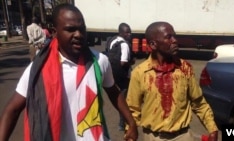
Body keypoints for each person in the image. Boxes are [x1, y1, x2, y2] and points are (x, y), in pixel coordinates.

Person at [0, 3, 137, 141]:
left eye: (81, 29)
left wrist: (131, 122)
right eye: (70, 29)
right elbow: (12, 110)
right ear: (54, 32)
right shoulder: (37, 70)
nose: (78, 35)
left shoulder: (100, 61)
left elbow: (113, 91)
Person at [126, 21, 218, 141]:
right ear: (153, 44)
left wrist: (212, 129)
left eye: (174, 36)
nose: (175, 40)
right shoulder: (139, 73)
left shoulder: (185, 69)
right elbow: (133, 108)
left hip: (183, 136)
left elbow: (198, 102)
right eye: (168, 37)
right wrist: (130, 132)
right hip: (153, 137)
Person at [106, 23, 135, 131]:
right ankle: (122, 124)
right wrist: (131, 62)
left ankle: (122, 122)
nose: (129, 34)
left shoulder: (112, 40)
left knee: (117, 96)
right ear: (121, 32)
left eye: (130, 32)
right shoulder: (124, 44)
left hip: (113, 73)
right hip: (122, 76)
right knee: (124, 99)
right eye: (127, 32)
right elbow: (123, 62)